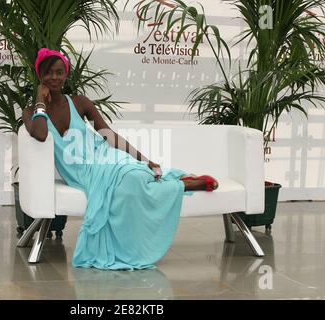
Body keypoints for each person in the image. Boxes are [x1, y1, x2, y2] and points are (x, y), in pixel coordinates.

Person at [23, 48, 218, 270]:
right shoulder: (31, 112)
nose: (55, 77)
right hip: (81, 171)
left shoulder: (79, 102)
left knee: (135, 174)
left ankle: (173, 182)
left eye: (59, 72)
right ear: (40, 75)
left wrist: (144, 159)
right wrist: (40, 99)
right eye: (49, 73)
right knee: (132, 181)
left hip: (105, 156)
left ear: (66, 75)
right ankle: (178, 185)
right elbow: (39, 134)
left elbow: (109, 135)